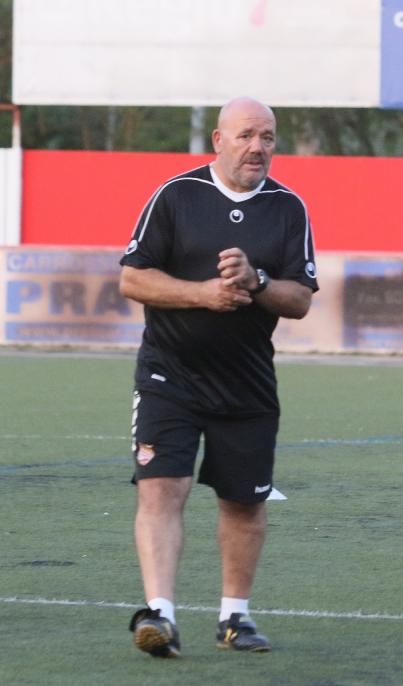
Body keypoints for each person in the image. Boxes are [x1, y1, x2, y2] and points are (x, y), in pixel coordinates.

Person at [119, 96, 318, 656]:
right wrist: (202, 295)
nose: (258, 147)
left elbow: (300, 301)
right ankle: (160, 614)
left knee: (243, 502)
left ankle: (236, 618)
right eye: (247, 135)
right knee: (162, 487)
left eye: (268, 137)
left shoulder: (288, 208)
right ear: (219, 140)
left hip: (247, 381)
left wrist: (255, 281)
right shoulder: (176, 196)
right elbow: (134, 280)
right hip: (169, 374)